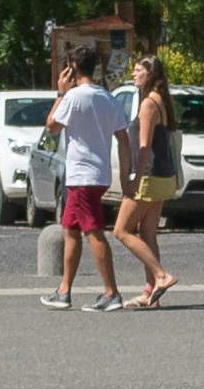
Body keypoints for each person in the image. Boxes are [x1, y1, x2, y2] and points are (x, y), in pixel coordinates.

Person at [45, 54, 132, 311]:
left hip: (81, 176)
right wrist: (126, 175)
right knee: (71, 229)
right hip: (98, 174)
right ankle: (64, 290)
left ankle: (111, 292)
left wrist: (60, 93)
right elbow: (123, 138)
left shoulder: (73, 97)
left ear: (72, 69)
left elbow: (51, 126)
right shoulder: (108, 98)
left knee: (93, 231)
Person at [117, 55, 181, 307]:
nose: (133, 74)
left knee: (121, 231)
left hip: (150, 176)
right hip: (163, 177)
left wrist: (135, 178)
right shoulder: (160, 100)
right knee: (147, 233)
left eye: (138, 70)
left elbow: (144, 147)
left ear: (150, 74)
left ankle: (161, 275)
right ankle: (150, 293)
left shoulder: (148, 105)